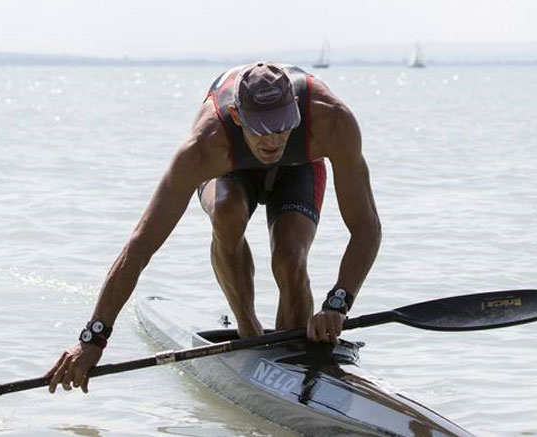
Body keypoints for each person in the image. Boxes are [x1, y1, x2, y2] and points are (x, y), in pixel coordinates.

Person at [47, 62, 381, 394]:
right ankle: (248, 329)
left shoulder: (332, 120)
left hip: (299, 169)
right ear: (237, 117)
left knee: (290, 256)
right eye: (262, 128)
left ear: (295, 109)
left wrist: (337, 304)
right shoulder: (203, 146)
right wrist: (93, 338)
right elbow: (139, 247)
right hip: (230, 171)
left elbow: (366, 228)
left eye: (283, 126)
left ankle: (293, 355)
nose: (274, 139)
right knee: (227, 212)